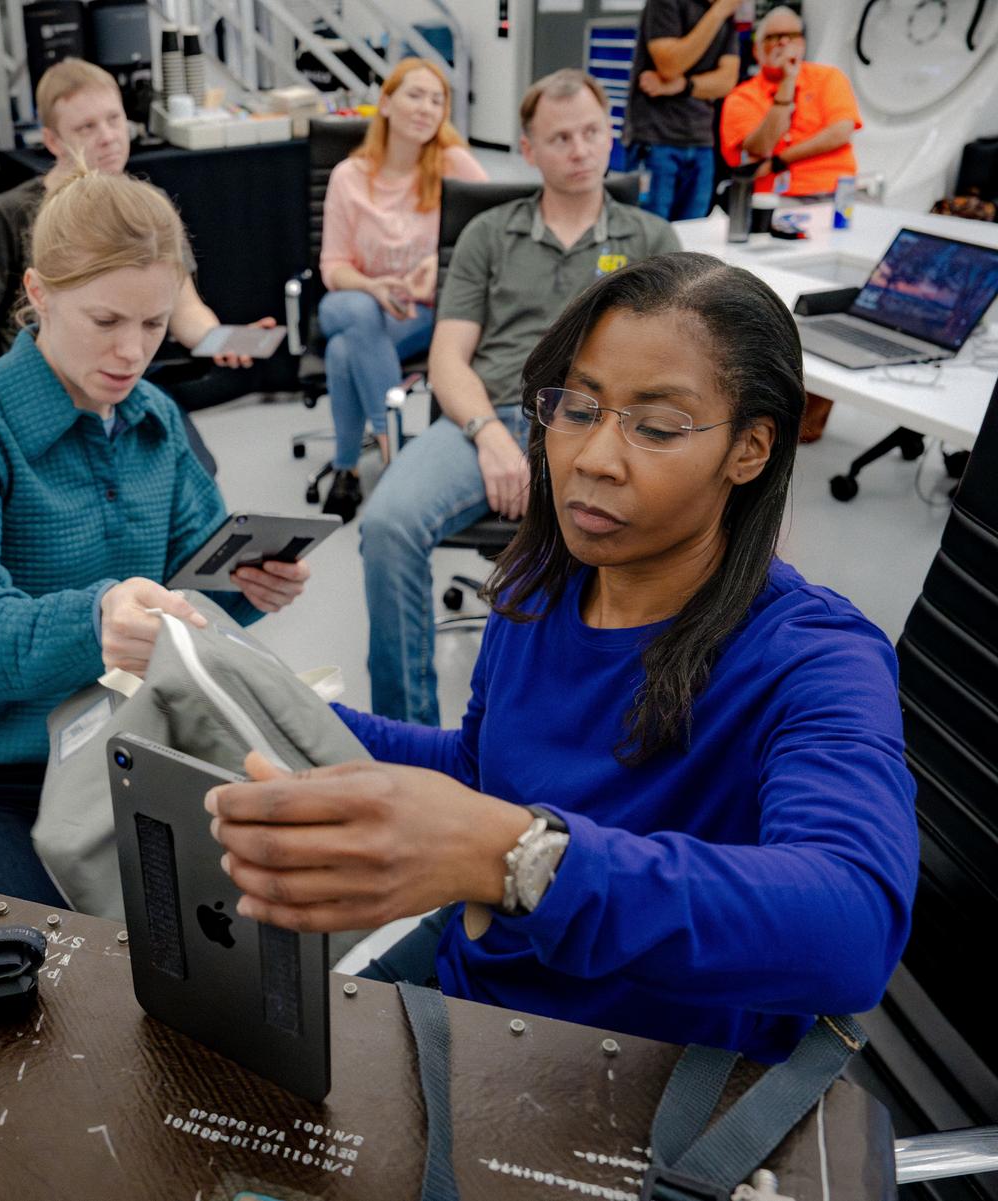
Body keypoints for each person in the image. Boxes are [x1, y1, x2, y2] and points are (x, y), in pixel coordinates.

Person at [204, 252, 919, 1062]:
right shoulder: (544, 585)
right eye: (576, 408)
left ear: (750, 449)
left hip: (635, 1065)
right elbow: (484, 770)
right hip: (481, 996)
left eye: (655, 427)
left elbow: (854, 925)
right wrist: (239, 689)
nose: (593, 458)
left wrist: (520, 859)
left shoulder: (815, 659)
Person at [0, 168, 309, 906]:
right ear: (40, 291)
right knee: (56, 983)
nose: (132, 351)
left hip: (138, 751)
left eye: (153, 325)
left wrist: (241, 591)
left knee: (244, 942)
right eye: (107, 321)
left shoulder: (154, 419)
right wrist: (97, 620)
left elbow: (186, 586)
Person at [360, 69, 679, 726]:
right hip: (492, 412)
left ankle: (606, 729)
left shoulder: (650, 241)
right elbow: (447, 359)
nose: (581, 150)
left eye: (593, 132)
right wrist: (490, 434)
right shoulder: (487, 234)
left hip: (599, 425)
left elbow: (677, 365)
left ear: (611, 134)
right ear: (528, 150)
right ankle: (405, 738)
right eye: (560, 138)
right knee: (387, 524)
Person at [0, 59, 271, 403]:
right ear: (52, 140)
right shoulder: (8, 216)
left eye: (114, 120)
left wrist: (222, 339)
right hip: (36, 392)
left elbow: (183, 309)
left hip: (125, 389)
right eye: (86, 128)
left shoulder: (148, 207)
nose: (108, 137)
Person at [317, 57, 487, 522]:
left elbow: (493, 227)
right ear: (386, 103)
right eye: (415, 95)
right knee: (354, 313)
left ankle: (348, 468)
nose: (427, 108)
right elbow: (332, 265)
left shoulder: (453, 165)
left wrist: (438, 264)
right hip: (357, 301)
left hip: (425, 311)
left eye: (438, 100)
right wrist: (373, 287)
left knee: (344, 352)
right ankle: (394, 452)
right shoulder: (349, 177)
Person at [720, 7, 861, 198]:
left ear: (802, 43)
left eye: (792, 35)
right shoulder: (742, 97)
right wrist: (787, 82)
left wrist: (779, 161)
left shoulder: (829, 78)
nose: (784, 42)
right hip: (772, 199)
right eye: (774, 37)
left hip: (831, 189)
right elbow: (761, 147)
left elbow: (840, 132)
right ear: (757, 50)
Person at [623, 0, 741, 220]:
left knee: (692, 240)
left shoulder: (727, 14)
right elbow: (670, 65)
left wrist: (681, 85)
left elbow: (726, 81)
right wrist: (718, 12)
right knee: (650, 236)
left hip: (701, 142)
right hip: (655, 139)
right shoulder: (670, 4)